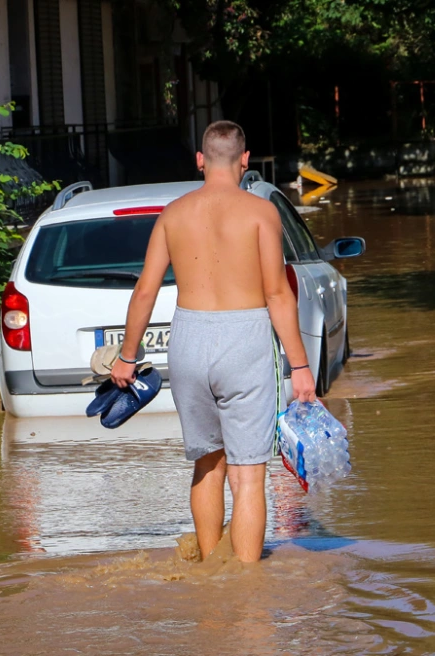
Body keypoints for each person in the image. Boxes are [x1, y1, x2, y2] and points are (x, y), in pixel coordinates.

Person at [110, 120, 317, 563]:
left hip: (188, 339)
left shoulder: (173, 213)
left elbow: (144, 291)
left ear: (200, 160)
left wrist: (128, 358)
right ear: (246, 160)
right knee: (247, 475)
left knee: (207, 464)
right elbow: (278, 293)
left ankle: (209, 572)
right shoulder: (261, 213)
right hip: (244, 338)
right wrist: (299, 368)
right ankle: (244, 584)